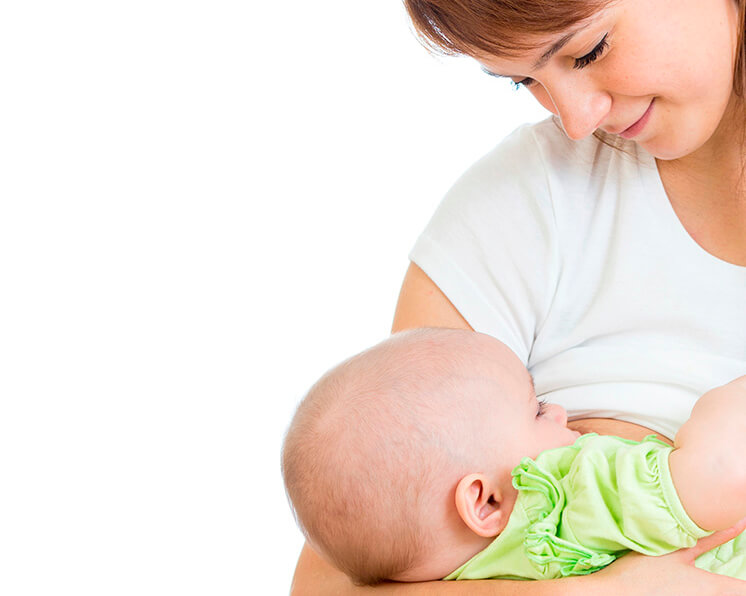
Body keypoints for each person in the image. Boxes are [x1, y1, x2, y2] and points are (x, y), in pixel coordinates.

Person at [291, 0, 746, 593]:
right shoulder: (529, 203)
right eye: (526, 79)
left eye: (591, 49)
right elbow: (333, 580)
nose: (577, 119)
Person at [283, 328, 746, 586]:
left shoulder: (461, 579)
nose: (562, 411)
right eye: (539, 410)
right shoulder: (558, 503)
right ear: (485, 502)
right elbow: (721, 473)